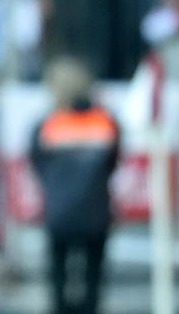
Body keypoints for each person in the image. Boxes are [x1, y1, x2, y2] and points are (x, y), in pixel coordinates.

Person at [30, 56, 120, 314]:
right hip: (96, 211)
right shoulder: (105, 121)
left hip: (59, 211)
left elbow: (36, 161)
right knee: (93, 276)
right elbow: (113, 161)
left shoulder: (48, 124)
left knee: (58, 277)